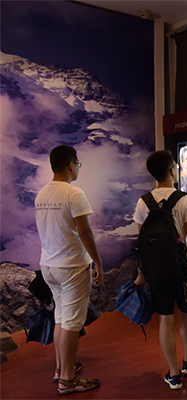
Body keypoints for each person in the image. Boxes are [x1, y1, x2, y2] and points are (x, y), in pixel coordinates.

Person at [133, 150, 187, 390]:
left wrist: (142, 272)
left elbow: (141, 243)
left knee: (165, 318)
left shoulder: (143, 202)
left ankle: (173, 374)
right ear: (172, 170)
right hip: (182, 269)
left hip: (155, 272)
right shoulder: (185, 200)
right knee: (186, 313)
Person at [35, 145, 103, 395]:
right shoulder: (74, 193)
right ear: (71, 165)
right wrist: (98, 261)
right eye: (78, 164)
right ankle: (67, 380)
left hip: (49, 266)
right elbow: (85, 232)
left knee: (61, 317)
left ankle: (60, 368)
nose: (78, 169)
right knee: (72, 323)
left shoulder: (42, 193)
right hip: (72, 266)